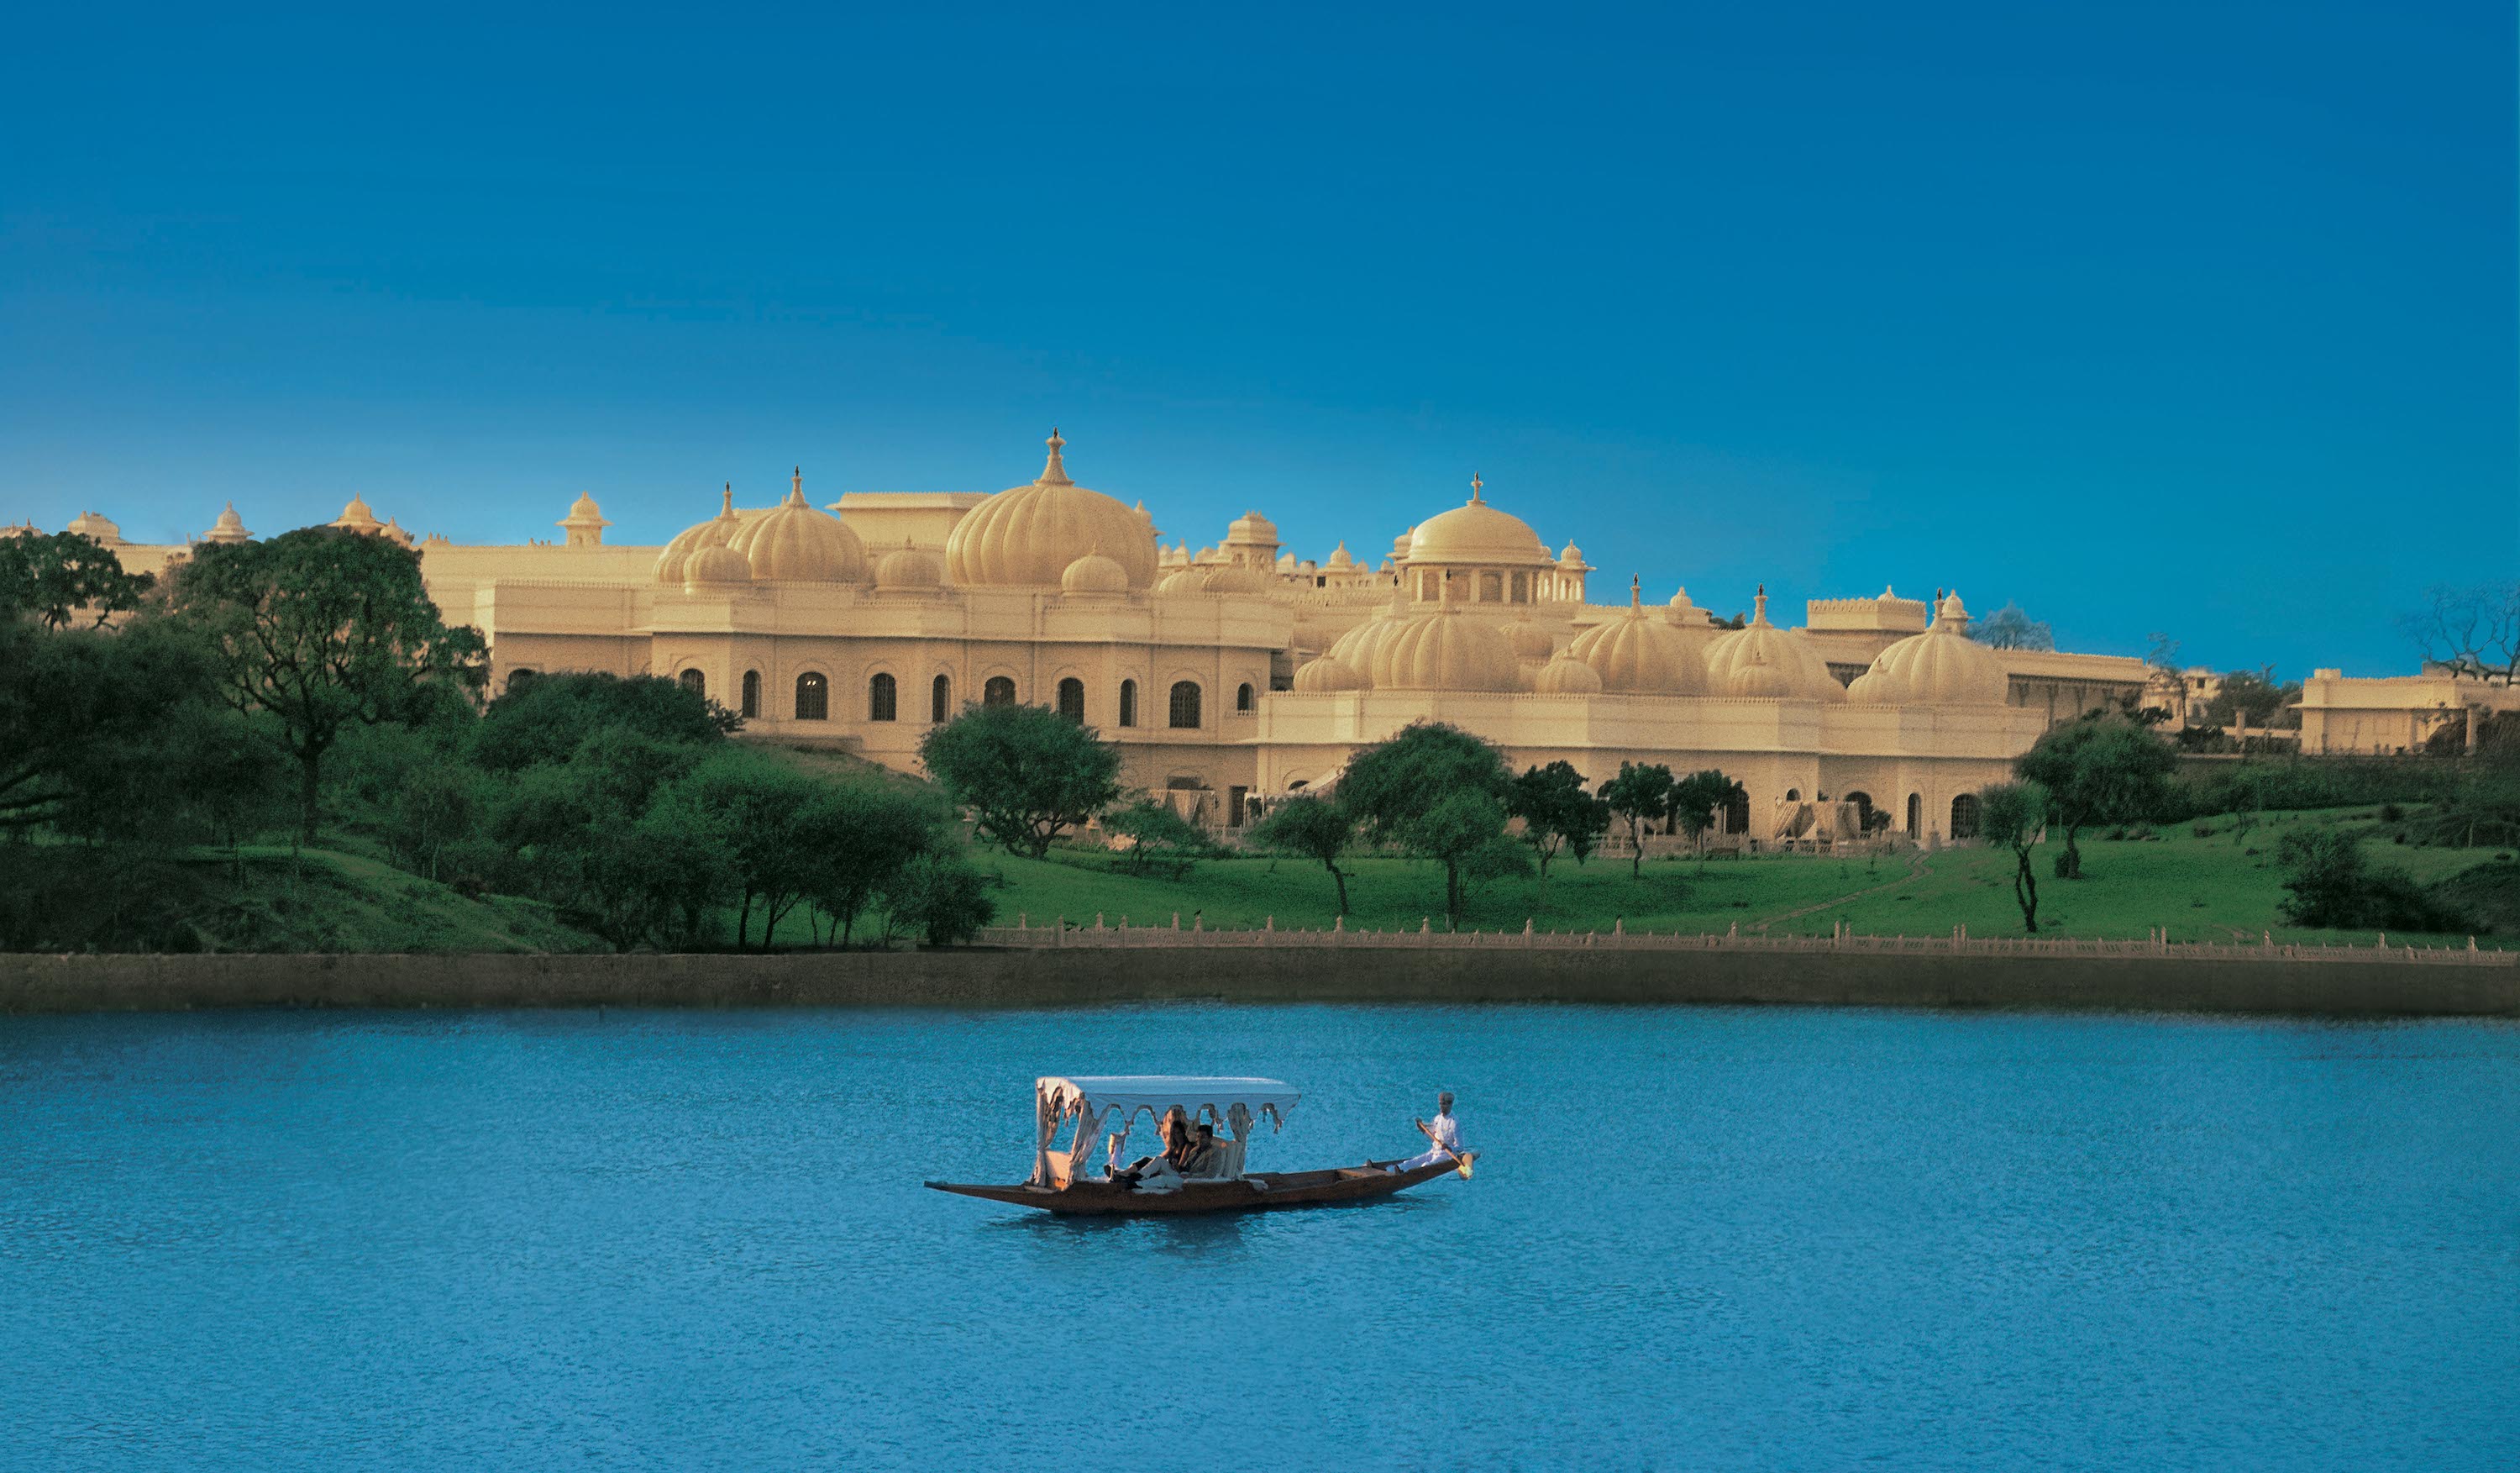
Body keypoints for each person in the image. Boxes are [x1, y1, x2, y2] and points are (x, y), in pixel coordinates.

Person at [1392, 1091, 1462, 1172]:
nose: (1441, 1107)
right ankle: (1400, 1169)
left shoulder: (1455, 1123)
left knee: (1426, 1165)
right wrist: (1422, 1129)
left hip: (1446, 1155)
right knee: (1412, 1162)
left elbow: (1460, 1147)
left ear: (1450, 1105)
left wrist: (1450, 1148)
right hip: (1434, 1151)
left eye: (1444, 1104)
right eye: (1440, 1104)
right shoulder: (1437, 1119)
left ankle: (1411, 1174)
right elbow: (1432, 1136)